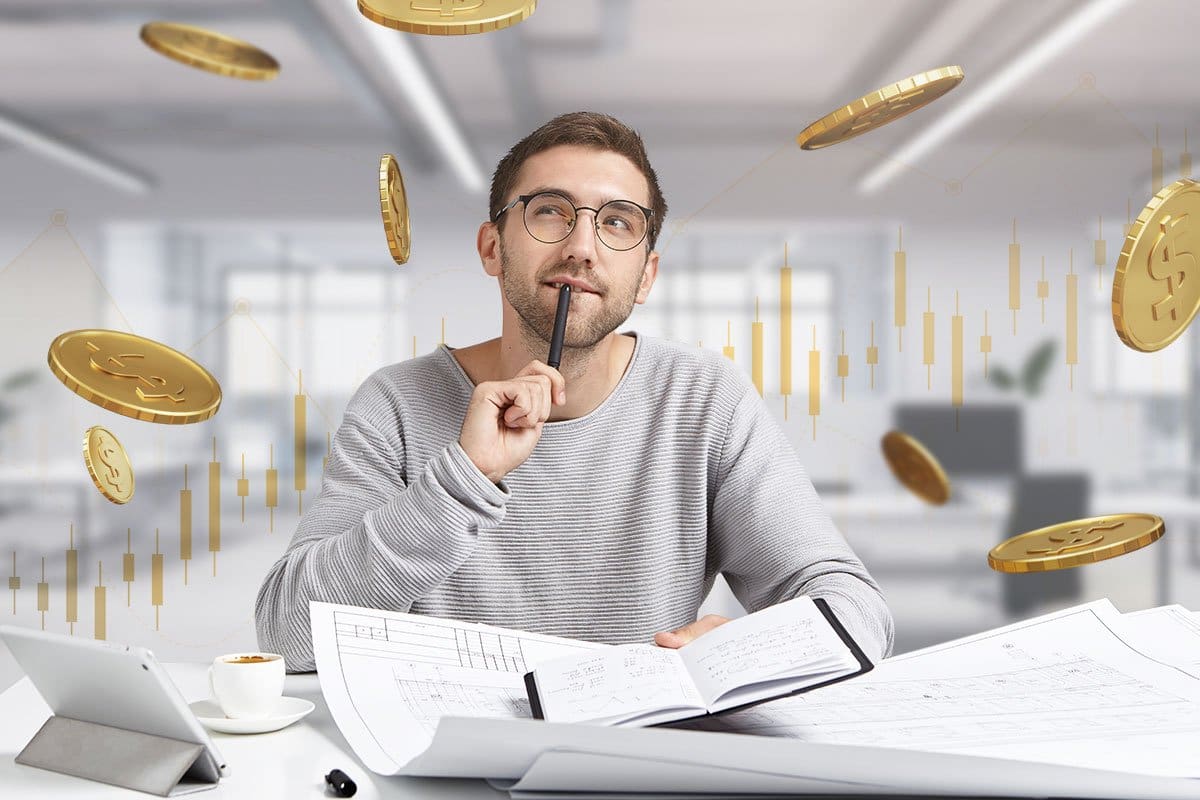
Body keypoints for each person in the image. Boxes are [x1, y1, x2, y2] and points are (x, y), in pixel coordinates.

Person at [255, 111, 894, 671]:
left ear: (645, 276)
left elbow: (857, 611)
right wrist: (464, 477)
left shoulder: (705, 399)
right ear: (492, 248)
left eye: (617, 222)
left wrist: (755, 648)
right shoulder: (397, 403)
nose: (581, 247)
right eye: (550, 212)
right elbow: (286, 637)